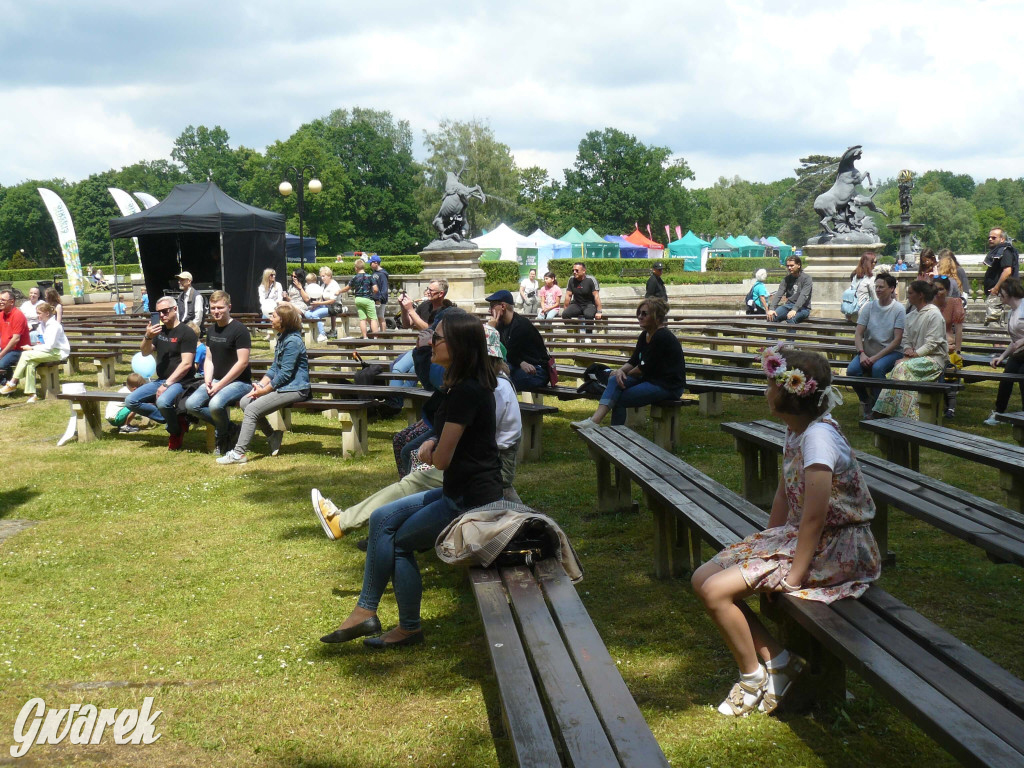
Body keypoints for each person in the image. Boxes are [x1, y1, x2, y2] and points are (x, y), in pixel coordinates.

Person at [692, 346, 880, 717]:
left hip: (837, 549)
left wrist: (792, 577)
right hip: (808, 537)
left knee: (715, 592)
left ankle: (753, 677)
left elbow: (815, 517)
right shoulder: (796, 430)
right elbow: (785, 491)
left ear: (790, 392)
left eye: (769, 384)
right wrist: (763, 543)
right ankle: (779, 660)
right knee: (703, 577)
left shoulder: (818, 439)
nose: (765, 391)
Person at [319, 310, 502, 648]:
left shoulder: (467, 391)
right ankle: (365, 612)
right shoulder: (457, 387)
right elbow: (444, 439)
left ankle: (408, 628)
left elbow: (443, 460)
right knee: (380, 517)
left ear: (459, 346)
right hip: (457, 491)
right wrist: (432, 443)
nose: (430, 341)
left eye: (438, 338)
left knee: (400, 542)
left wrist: (431, 450)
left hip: (471, 500)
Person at [311, 323, 522, 540]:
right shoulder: (487, 383)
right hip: (482, 466)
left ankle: (353, 523)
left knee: (415, 482)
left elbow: (473, 440)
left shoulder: (489, 388)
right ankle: (382, 525)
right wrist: (435, 442)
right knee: (409, 453)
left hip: (487, 470)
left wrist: (436, 448)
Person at [218, 303, 309, 464]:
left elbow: (285, 373)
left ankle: (239, 453)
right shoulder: (282, 337)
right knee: (246, 401)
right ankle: (273, 435)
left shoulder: (293, 341)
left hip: (296, 388)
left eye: (273, 316)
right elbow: (275, 368)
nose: (270, 319)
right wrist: (260, 385)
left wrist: (265, 390)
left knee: (252, 409)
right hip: (285, 386)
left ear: (284, 320)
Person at [572, 298, 685, 428]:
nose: (640, 317)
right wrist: (620, 371)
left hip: (668, 386)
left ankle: (615, 433)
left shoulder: (662, 336)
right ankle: (594, 422)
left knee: (618, 397)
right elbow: (634, 361)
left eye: (644, 314)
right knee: (615, 381)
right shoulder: (645, 335)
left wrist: (623, 374)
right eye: (639, 313)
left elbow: (642, 369)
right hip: (649, 379)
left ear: (657, 317)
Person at [125, 297, 198, 450]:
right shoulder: (159, 330)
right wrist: (148, 336)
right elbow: (145, 352)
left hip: (182, 382)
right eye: (158, 313)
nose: (162, 315)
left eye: (165, 311)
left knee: (163, 402)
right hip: (161, 380)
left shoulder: (187, 333)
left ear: (175, 309)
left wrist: (166, 384)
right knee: (131, 401)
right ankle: (175, 422)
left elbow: (186, 364)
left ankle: (174, 432)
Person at [185, 290, 253, 455]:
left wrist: (220, 385)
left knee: (215, 404)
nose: (216, 311)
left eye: (220, 308)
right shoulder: (211, 330)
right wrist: (208, 381)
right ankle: (230, 428)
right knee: (190, 405)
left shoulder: (240, 330)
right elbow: (209, 359)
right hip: (215, 381)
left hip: (240, 383)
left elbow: (242, 362)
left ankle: (222, 438)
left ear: (229, 307)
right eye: (213, 308)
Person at [872, 280, 948, 420]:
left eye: (910, 293)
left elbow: (933, 343)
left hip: (934, 360)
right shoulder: (910, 316)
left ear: (920, 295)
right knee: (901, 370)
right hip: (914, 359)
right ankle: (901, 414)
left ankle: (886, 412)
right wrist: (908, 350)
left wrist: (914, 355)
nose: (908, 296)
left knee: (901, 368)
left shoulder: (934, 315)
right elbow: (905, 338)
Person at [846, 273, 905, 418]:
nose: (878, 290)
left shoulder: (898, 309)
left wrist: (875, 358)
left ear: (891, 289)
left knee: (877, 368)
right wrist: (862, 353)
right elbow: (858, 334)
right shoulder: (869, 307)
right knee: (852, 371)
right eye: (876, 287)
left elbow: (897, 340)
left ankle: (880, 408)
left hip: (891, 352)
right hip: (868, 352)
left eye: (881, 287)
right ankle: (866, 400)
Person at [0, 301, 70, 403]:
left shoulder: (54, 326)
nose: (37, 316)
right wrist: (36, 346)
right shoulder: (42, 325)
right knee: (30, 364)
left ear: (47, 313)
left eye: (39, 313)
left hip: (58, 353)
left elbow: (49, 347)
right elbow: (41, 342)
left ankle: (12, 383)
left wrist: (32, 348)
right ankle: (32, 394)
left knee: (26, 354)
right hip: (47, 351)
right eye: (37, 313)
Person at [390, 280, 455, 388]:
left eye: (431, 290)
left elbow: (430, 331)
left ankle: (396, 399)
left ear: (441, 294)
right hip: (420, 349)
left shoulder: (446, 310)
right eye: (427, 289)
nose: (427, 292)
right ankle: (395, 398)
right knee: (397, 368)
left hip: (435, 351)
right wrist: (403, 308)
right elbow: (407, 324)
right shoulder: (425, 305)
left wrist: (411, 310)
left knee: (413, 371)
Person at [485, 289, 550, 391]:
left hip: (537, 371)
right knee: (493, 374)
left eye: (492, 306)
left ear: (503, 306)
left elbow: (505, 353)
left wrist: (491, 330)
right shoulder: (501, 325)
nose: (489, 310)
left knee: (498, 380)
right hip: (516, 366)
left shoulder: (520, 325)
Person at [985, 277, 1024, 426]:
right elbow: (1014, 341)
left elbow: (1020, 340)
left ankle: (1022, 417)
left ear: (1008, 292)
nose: (999, 295)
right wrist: (1001, 356)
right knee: (1006, 379)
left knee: (1022, 378)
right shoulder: (1011, 312)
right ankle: (999, 413)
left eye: (1001, 292)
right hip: (1019, 353)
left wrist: (1022, 341)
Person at [931, 275, 964, 419]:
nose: (938, 292)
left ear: (948, 290)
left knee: (951, 367)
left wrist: (957, 349)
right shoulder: (927, 304)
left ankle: (950, 406)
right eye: (935, 289)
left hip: (949, 345)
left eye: (941, 289)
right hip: (932, 346)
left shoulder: (954, 303)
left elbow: (959, 329)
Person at [984, 228, 1019, 326]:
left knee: (993, 324)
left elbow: (1007, 271)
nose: (990, 239)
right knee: (995, 324)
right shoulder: (998, 251)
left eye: (994, 237)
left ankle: (998, 342)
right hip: (998, 293)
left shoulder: (1005, 251)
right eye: (989, 237)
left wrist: (996, 288)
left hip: (999, 293)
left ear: (1002, 239)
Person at [337, 259, 379, 338]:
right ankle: (376, 337)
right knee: (373, 318)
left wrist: (339, 291)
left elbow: (346, 288)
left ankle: (365, 337)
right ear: (364, 267)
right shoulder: (370, 277)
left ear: (356, 268)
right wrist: (372, 293)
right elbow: (376, 289)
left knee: (362, 319)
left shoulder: (355, 278)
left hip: (358, 299)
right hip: (368, 299)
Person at [767, 256, 812, 324]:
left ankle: (790, 335)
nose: (789, 268)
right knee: (771, 317)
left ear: (798, 265)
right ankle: (772, 335)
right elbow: (779, 294)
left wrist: (794, 309)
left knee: (791, 319)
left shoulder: (807, 279)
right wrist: (772, 309)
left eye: (792, 265)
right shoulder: (786, 279)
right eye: (788, 266)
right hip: (788, 305)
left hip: (803, 308)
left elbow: (803, 296)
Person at [0, 289, 30, 384]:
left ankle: (8, 384)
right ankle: (6, 383)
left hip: (18, 350)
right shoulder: (1, 315)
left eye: (3, 300)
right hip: (6, 349)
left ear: (12, 301)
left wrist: (1, 354)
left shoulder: (17, 315)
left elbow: (16, 339)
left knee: (0, 364)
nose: (0, 302)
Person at [845, 251, 878, 322]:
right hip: (861, 315)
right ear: (870, 263)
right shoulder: (871, 279)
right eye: (875, 262)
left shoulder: (855, 276)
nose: (875, 264)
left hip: (849, 314)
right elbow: (875, 299)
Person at [368, 255, 389, 329]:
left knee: (380, 316)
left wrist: (380, 299)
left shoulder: (382, 274)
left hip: (380, 299)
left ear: (376, 263)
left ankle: (383, 334)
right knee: (374, 317)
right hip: (374, 298)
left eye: (371, 263)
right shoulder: (374, 273)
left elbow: (384, 288)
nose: (370, 265)